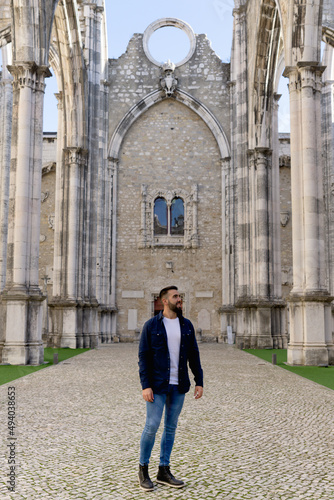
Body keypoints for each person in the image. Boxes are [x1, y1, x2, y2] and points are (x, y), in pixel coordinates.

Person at [138, 285, 203, 491]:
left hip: (179, 384)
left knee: (171, 428)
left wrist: (199, 380)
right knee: (152, 426)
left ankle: (163, 470)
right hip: (157, 385)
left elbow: (194, 354)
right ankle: (143, 469)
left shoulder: (187, 325)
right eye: (175, 296)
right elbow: (143, 357)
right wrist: (145, 386)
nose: (179, 299)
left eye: (180, 296)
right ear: (164, 301)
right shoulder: (151, 326)